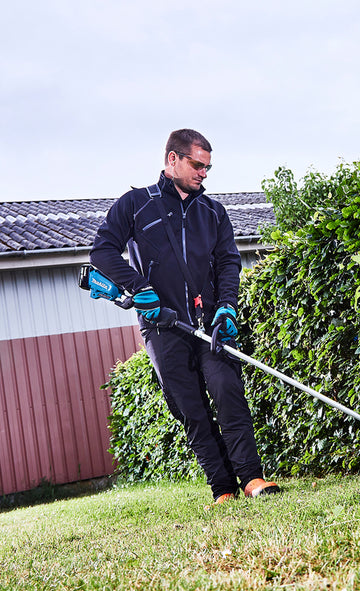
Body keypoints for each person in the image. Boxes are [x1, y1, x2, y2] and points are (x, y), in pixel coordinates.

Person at [90, 128, 280, 504]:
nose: (204, 174)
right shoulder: (135, 204)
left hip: (209, 322)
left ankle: (251, 478)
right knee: (188, 407)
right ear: (172, 159)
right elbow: (103, 252)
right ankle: (223, 487)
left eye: (208, 168)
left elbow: (228, 262)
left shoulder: (213, 211)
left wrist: (227, 305)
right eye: (197, 165)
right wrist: (139, 287)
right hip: (161, 324)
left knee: (228, 392)